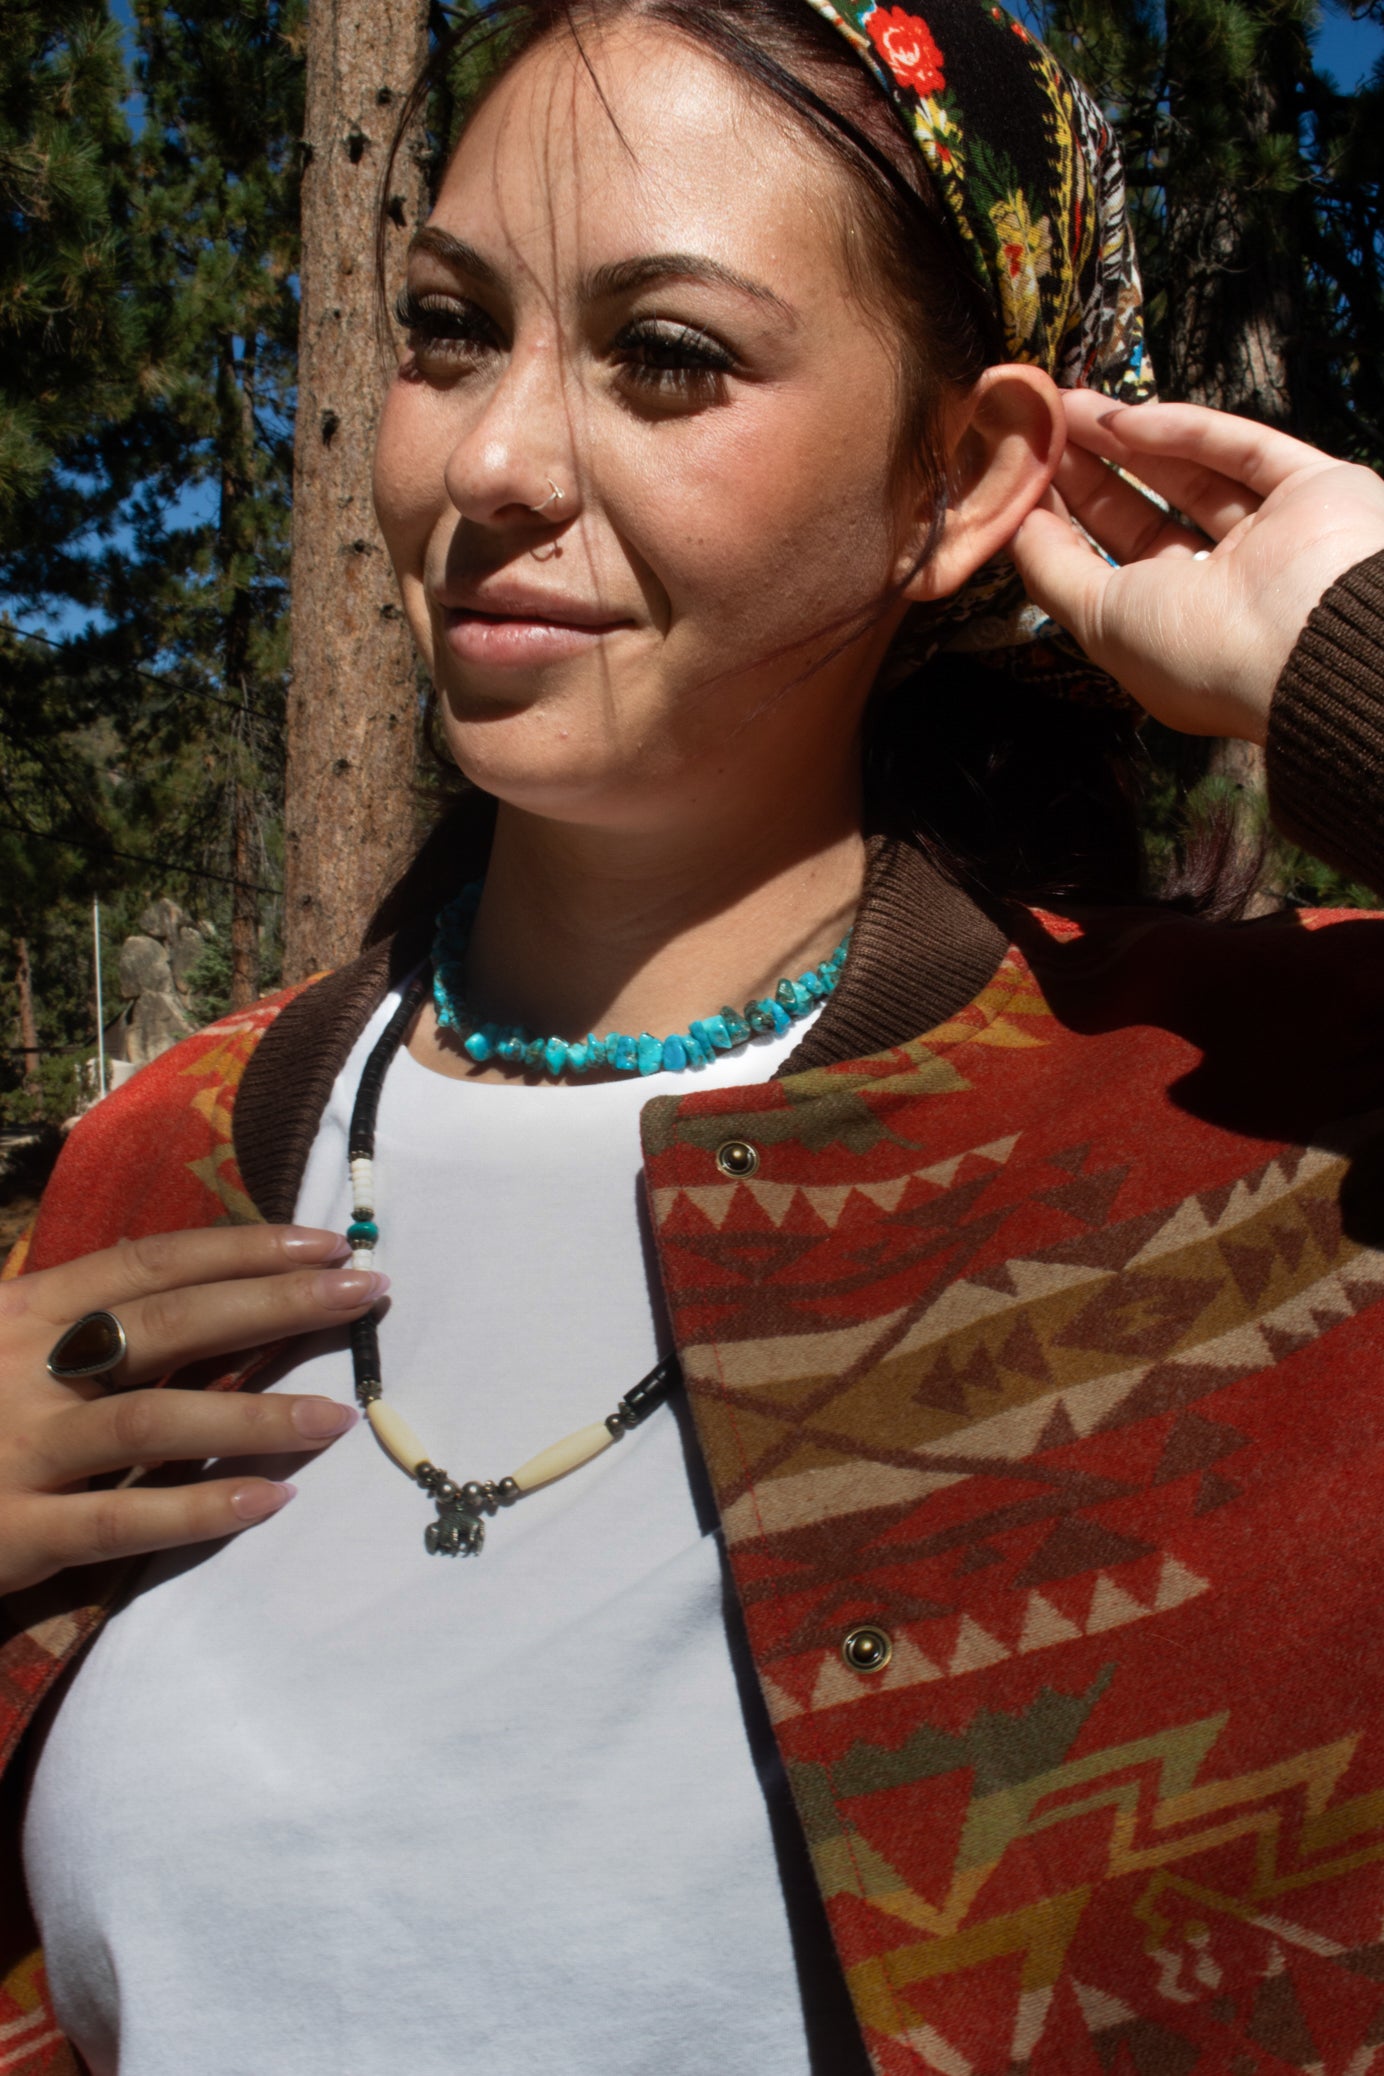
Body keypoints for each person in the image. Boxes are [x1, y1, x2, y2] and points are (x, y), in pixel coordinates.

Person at [3, 1, 1384, 2070]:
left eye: (666, 359)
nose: (485, 460)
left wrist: (1348, 645)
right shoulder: (163, 1167)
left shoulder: (1271, 1129)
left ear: (959, 476)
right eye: (451, 329)